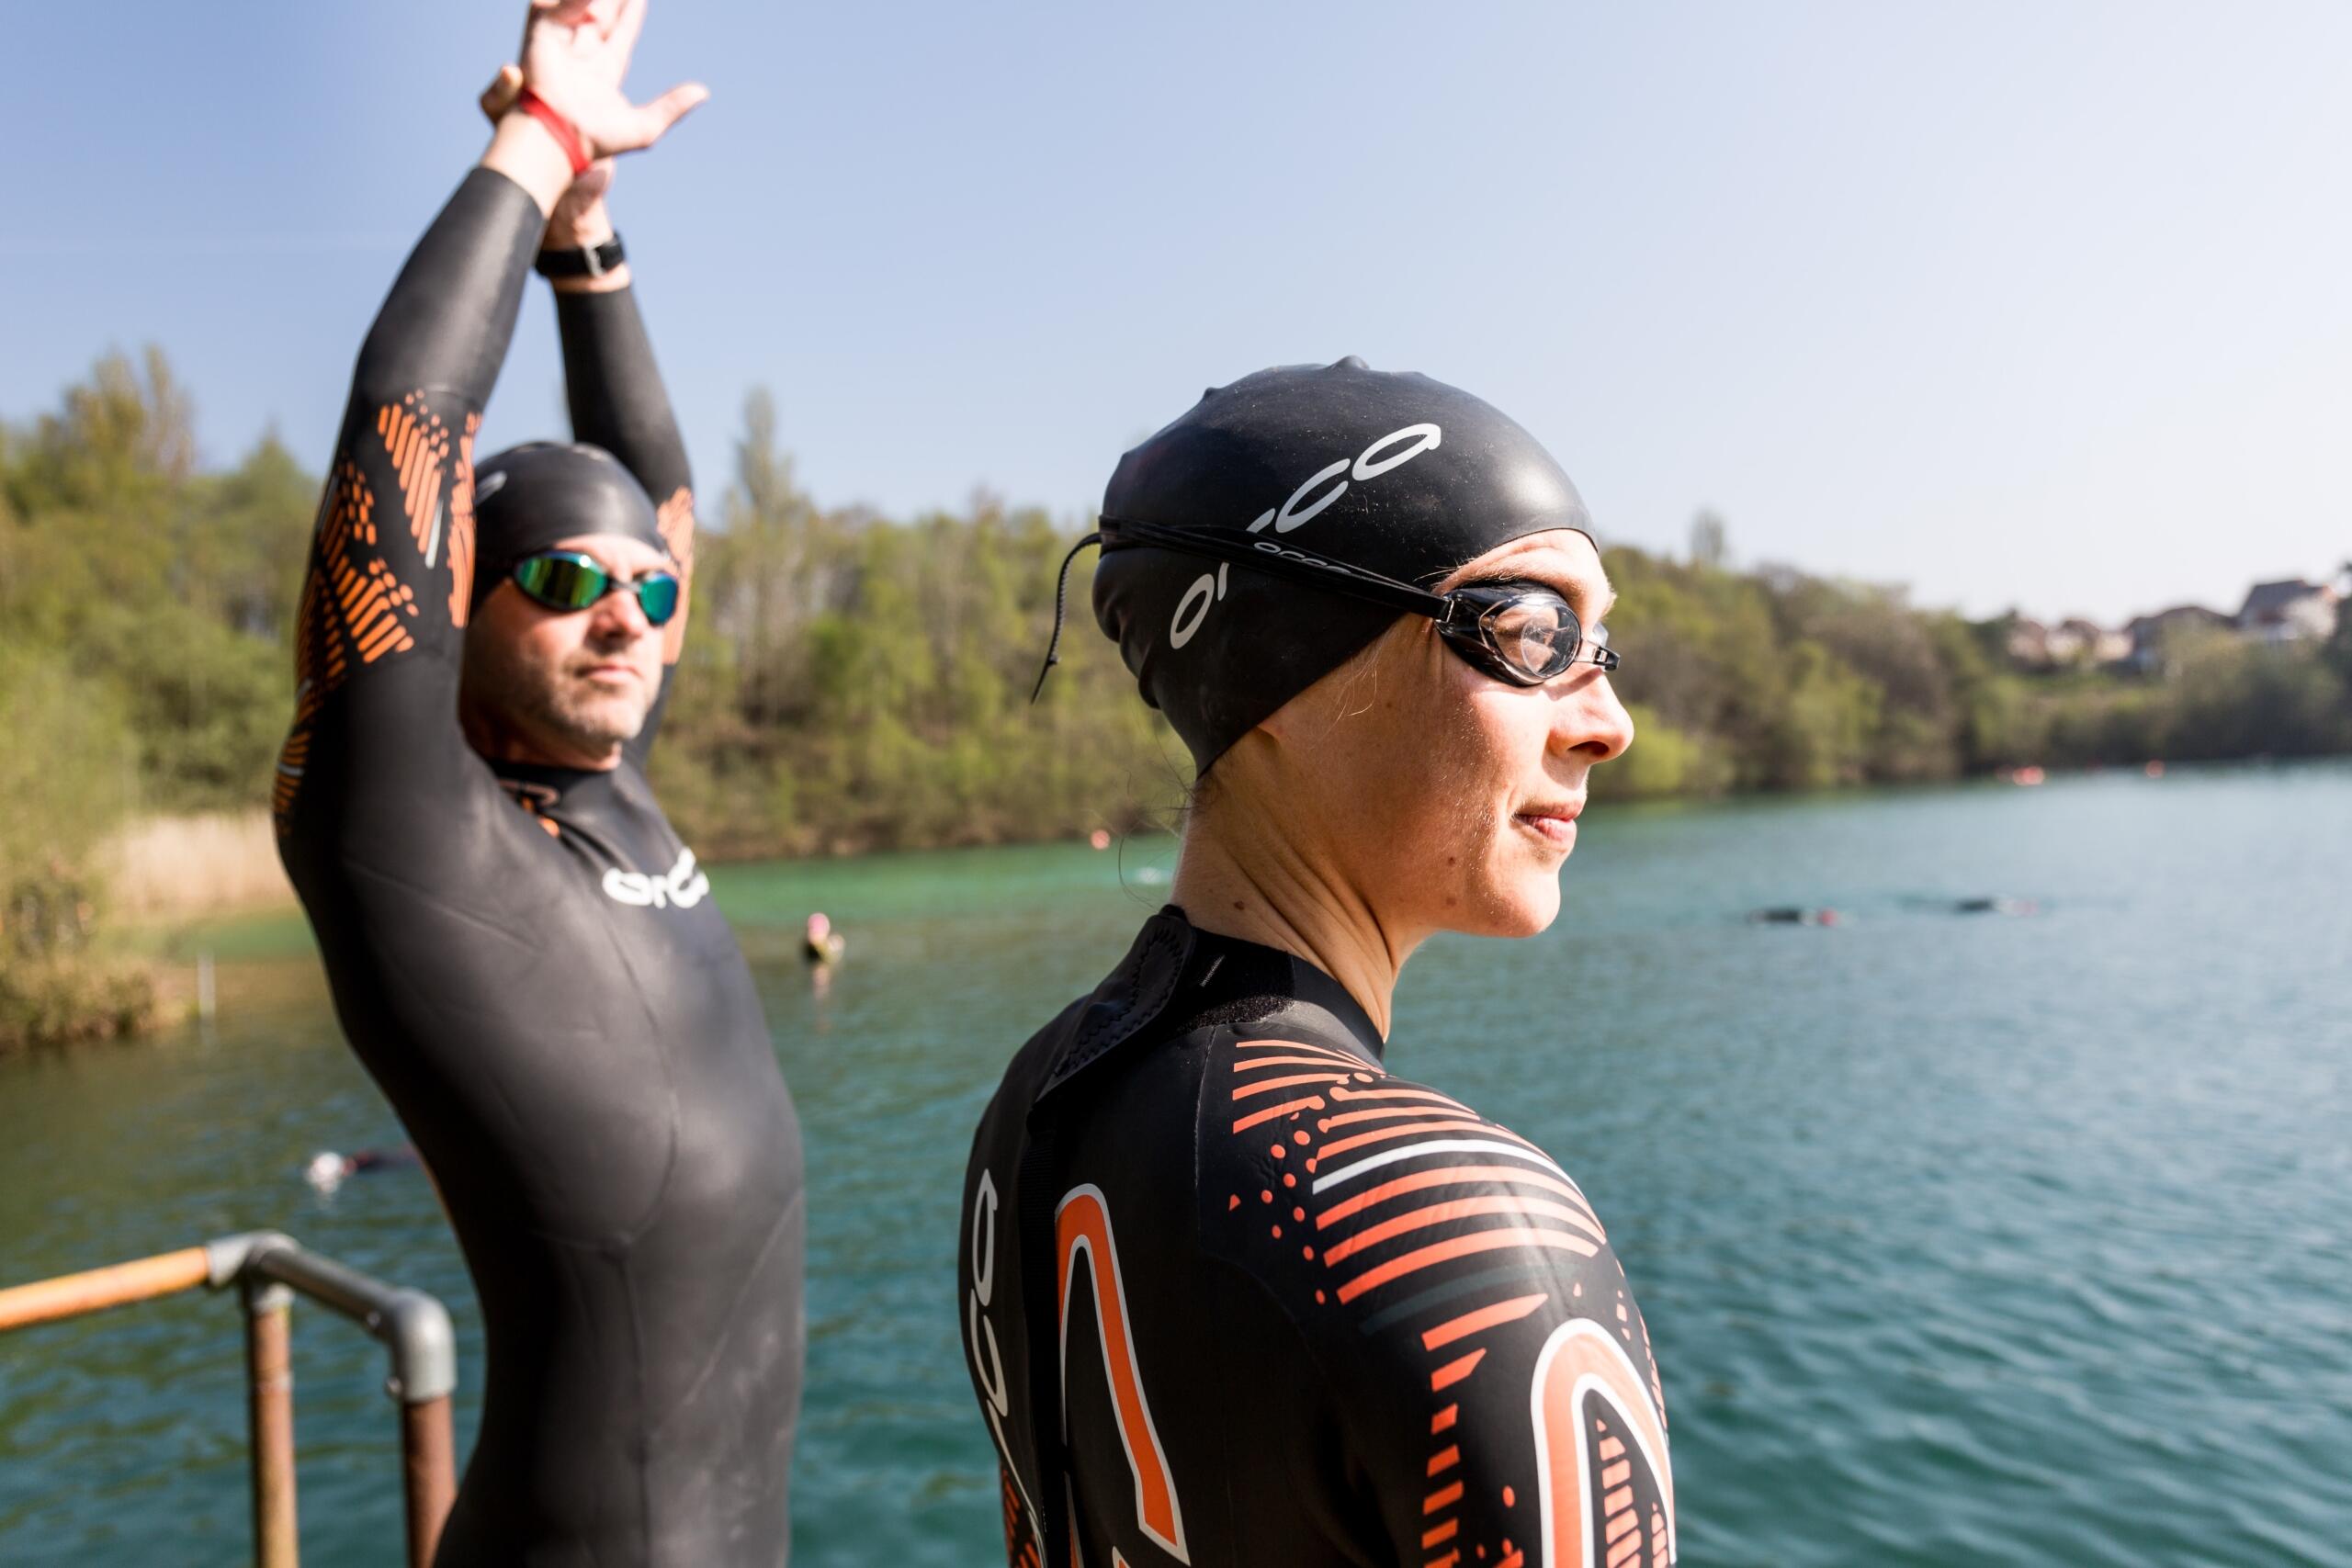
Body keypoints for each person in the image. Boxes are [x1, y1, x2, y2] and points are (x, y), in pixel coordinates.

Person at [962, 359, 1674, 1567]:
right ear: (1277, 666)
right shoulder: (1460, 1224)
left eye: (1599, 645)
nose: (1608, 721)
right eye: (1531, 631)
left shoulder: (1035, 1108)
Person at [273, 5, 803, 1561]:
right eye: (568, 579)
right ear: (457, 603)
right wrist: (540, 140)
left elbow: (664, 501)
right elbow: (402, 426)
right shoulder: (410, 830)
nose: (627, 617)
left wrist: (591, 238)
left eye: (648, 592)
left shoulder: (613, 782)